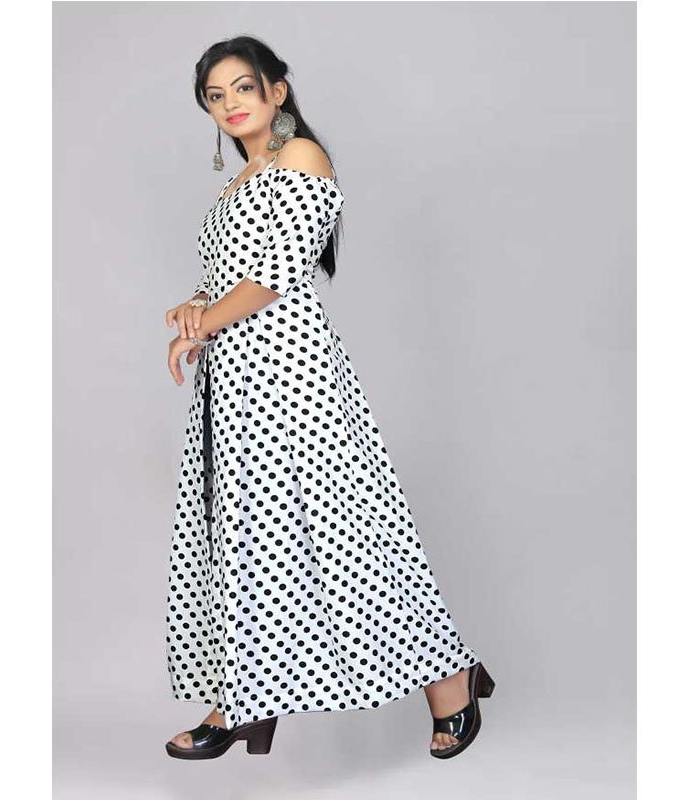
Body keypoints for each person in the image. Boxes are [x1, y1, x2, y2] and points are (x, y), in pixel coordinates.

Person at [163, 36, 495, 761]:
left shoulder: (302, 158)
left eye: (242, 87)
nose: (230, 105)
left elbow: (276, 273)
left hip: (293, 377)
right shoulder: (238, 183)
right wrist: (192, 309)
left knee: (350, 535)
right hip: (237, 385)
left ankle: (450, 680)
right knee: (252, 541)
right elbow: (228, 278)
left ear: (276, 91)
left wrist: (205, 321)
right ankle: (239, 697)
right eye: (215, 97)